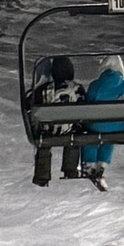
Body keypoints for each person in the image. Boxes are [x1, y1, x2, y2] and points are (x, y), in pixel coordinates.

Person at [79, 53, 124, 188]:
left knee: (91, 132)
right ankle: (101, 166)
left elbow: (87, 106)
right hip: (118, 127)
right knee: (110, 135)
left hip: (96, 126)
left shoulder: (95, 85)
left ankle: (89, 165)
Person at [33, 54, 78, 186]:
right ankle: (70, 170)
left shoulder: (43, 90)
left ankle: (42, 176)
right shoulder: (77, 88)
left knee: (44, 143)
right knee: (75, 137)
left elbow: (32, 104)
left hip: (47, 130)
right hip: (69, 131)